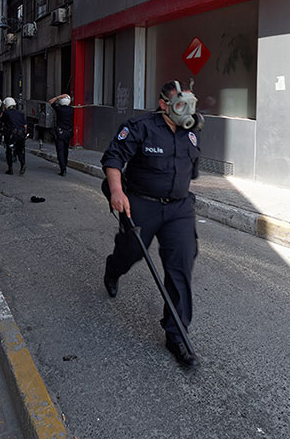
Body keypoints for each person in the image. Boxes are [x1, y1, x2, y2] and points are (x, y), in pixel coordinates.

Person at [101, 80, 203, 367]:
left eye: (190, 105)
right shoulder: (140, 126)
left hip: (179, 209)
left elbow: (191, 171)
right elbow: (113, 158)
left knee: (181, 265)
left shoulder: (191, 133)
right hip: (141, 203)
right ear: (163, 104)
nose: (187, 111)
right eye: (181, 105)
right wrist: (118, 192)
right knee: (131, 251)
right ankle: (113, 269)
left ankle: (176, 334)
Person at [48, 93, 75, 176]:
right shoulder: (71, 109)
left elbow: (50, 101)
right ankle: (65, 164)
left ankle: (63, 168)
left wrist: (58, 96)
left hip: (61, 132)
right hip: (69, 132)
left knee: (60, 150)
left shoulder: (59, 109)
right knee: (65, 149)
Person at [1, 96, 27, 175]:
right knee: (20, 150)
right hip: (21, 133)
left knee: (9, 151)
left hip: (11, 134)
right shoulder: (20, 113)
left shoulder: (6, 113)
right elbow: (25, 125)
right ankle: (22, 165)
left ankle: (10, 169)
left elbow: (1, 120)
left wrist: (3, 110)